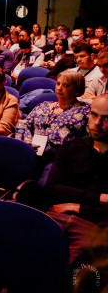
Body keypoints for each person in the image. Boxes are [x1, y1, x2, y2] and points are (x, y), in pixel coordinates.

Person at [43, 94, 108, 263]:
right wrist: (100, 198)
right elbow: (52, 189)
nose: (97, 123)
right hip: (58, 216)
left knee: (75, 272)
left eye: (106, 118)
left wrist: (79, 207)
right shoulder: (72, 147)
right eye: (94, 115)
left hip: (97, 226)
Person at [23, 70, 90, 165]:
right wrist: (27, 140)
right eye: (58, 84)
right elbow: (26, 124)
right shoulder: (44, 105)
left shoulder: (84, 111)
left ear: (77, 90)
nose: (59, 88)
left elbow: (87, 141)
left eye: (66, 85)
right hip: (32, 151)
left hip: (60, 160)